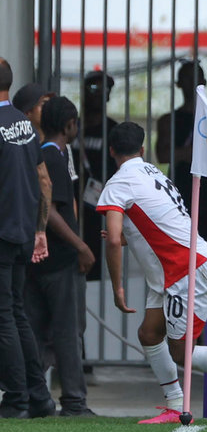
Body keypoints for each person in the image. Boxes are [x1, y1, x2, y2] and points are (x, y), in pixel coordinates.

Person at [97, 122, 207, 424]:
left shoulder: (118, 184)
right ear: (142, 148)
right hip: (171, 268)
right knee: (150, 333)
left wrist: (118, 289)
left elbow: (111, 238)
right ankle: (176, 404)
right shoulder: (153, 174)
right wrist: (132, 237)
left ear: (111, 150)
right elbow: (155, 223)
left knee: (182, 351)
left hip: (185, 268)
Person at [25, 97, 96, 416]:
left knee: (39, 330)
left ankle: (30, 395)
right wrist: (80, 246)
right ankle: (74, 401)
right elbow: (51, 209)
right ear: (70, 125)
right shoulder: (53, 157)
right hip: (60, 258)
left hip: (40, 259)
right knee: (69, 331)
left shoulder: (49, 154)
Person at [0, 57, 55, 420]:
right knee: (16, 313)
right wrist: (40, 230)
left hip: (2, 232)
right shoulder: (23, 124)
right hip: (22, 231)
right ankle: (39, 398)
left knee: (4, 315)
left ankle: (17, 399)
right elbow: (44, 180)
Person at [156, 60, 207, 241]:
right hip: (180, 195)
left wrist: (184, 153)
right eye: (187, 78)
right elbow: (162, 156)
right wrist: (194, 152)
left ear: (204, 82)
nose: (192, 83)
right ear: (178, 83)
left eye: (195, 78)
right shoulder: (168, 120)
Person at [73, 69, 117, 282]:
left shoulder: (113, 130)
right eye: (93, 88)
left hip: (98, 209)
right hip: (68, 206)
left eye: (104, 89)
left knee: (95, 265)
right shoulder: (71, 126)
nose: (98, 93)